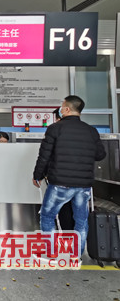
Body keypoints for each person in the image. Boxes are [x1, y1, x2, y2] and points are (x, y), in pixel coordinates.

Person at [32, 95, 106, 256]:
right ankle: (76, 255)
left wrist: (37, 175)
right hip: (83, 186)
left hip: (60, 183)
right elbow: (100, 155)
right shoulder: (91, 131)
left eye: (62, 106)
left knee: (47, 216)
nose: (61, 108)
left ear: (66, 109)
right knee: (81, 220)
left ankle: (51, 252)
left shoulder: (54, 129)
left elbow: (44, 156)